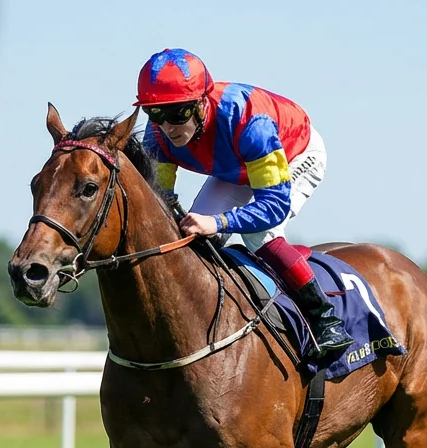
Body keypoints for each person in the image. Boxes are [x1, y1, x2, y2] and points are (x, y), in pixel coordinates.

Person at [136, 48, 354, 360]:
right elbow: (159, 202)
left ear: (201, 103)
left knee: (258, 236)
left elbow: (273, 206)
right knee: (193, 237)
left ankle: (325, 319)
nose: (168, 127)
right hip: (234, 166)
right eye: (156, 113)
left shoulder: (251, 122)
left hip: (293, 153)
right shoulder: (158, 134)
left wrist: (219, 222)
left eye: (178, 113)